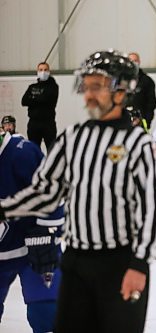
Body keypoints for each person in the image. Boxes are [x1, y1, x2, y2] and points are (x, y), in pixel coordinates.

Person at [0, 50, 156, 333]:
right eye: (86, 86)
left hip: (121, 263)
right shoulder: (73, 137)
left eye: (97, 86)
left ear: (122, 90)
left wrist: (139, 265)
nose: (89, 94)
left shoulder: (138, 143)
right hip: (75, 262)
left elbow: (151, 210)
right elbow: (46, 191)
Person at [0, 129, 64, 333]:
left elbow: (53, 195)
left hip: (32, 253)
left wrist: (48, 234)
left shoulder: (23, 154)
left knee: (45, 314)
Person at [21, 62, 59, 150]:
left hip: (48, 123)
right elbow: (24, 101)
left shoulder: (53, 86)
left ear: (49, 71)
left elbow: (47, 100)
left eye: (45, 70)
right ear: (37, 71)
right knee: (33, 150)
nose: (43, 72)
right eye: (41, 70)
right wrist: (39, 98)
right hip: (33, 123)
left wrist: (33, 98)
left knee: (51, 150)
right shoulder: (32, 87)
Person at [127, 52, 156, 129]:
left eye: (135, 61)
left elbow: (151, 103)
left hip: (142, 121)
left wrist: (147, 120)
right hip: (124, 121)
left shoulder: (147, 81)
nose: (133, 63)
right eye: (130, 61)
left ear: (139, 62)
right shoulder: (121, 79)